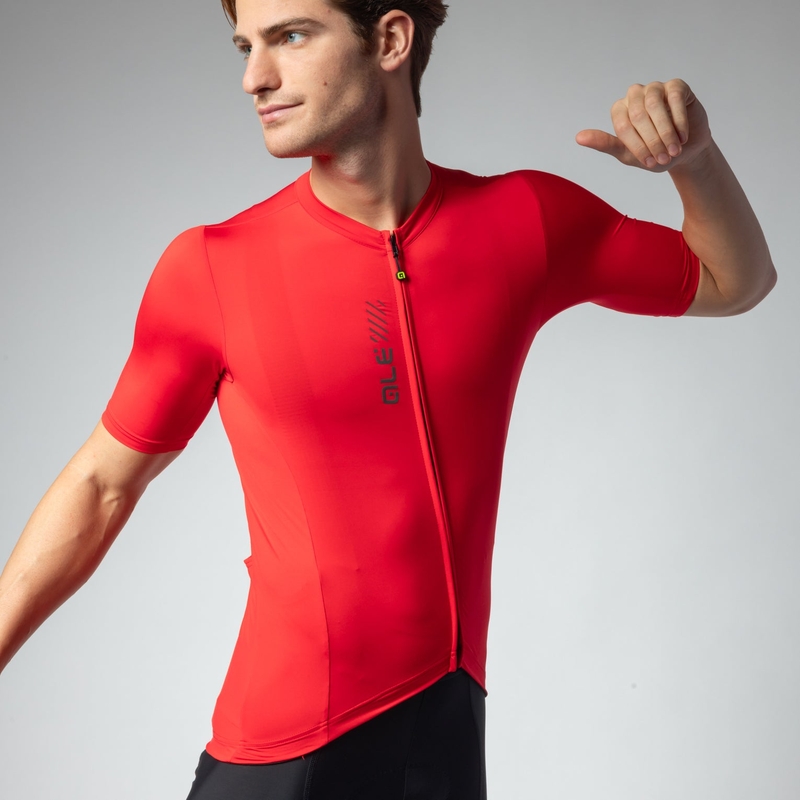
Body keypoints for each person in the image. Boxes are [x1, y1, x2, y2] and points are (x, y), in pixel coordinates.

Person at [0, 0, 776, 797]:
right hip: (285, 760)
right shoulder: (212, 269)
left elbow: (736, 280)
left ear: (391, 39)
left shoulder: (525, 220)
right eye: (244, 47)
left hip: (446, 744)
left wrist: (695, 159)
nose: (254, 77)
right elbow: (101, 485)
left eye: (289, 37)